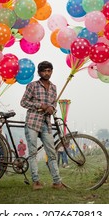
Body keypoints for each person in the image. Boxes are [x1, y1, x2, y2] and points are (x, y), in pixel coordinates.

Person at [20, 61, 65, 190]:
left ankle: (57, 182)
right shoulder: (32, 85)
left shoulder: (54, 87)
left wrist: (51, 107)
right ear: (39, 72)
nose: (47, 73)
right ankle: (36, 181)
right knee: (33, 153)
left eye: (49, 70)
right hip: (33, 122)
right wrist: (41, 105)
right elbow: (23, 102)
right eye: (44, 71)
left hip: (46, 123)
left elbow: (54, 103)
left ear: (52, 71)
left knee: (51, 153)